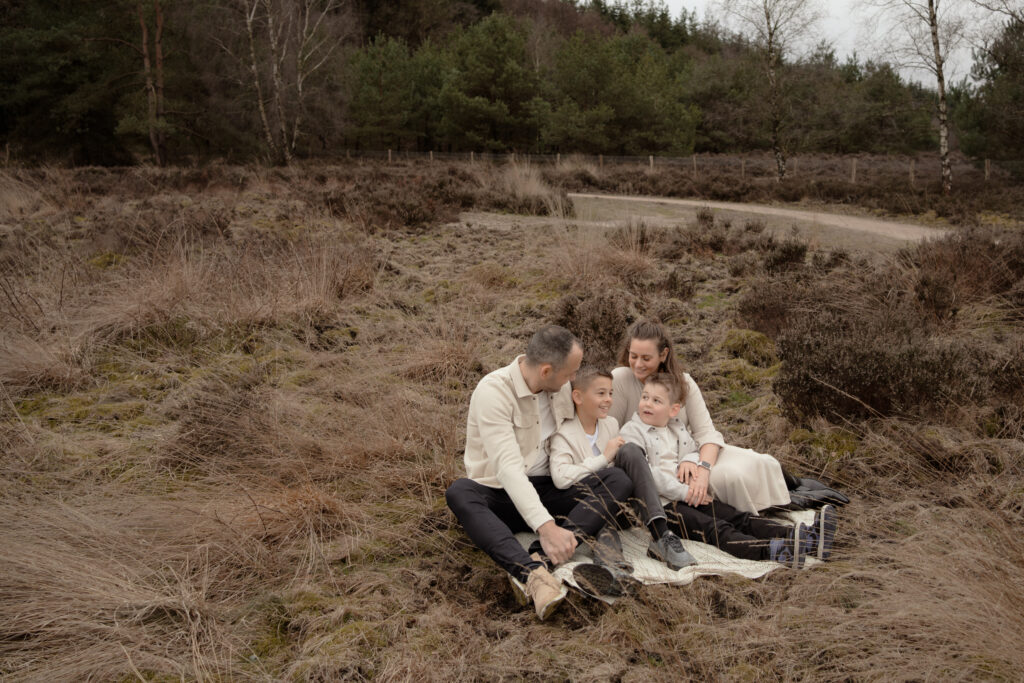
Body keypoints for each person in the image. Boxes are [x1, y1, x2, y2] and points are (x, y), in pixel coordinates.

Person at [445, 325, 633, 620]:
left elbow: (596, 406)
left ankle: (545, 554)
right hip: (500, 493)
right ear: (546, 371)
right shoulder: (494, 392)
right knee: (460, 492)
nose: (574, 380)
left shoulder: (559, 390)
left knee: (617, 480)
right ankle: (533, 575)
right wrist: (546, 527)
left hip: (549, 489)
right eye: (571, 373)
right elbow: (507, 470)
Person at [619, 373, 837, 567]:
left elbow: (694, 449)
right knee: (716, 529)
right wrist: (684, 493)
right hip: (665, 506)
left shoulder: (676, 427)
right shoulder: (633, 431)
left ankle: (803, 538)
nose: (647, 404)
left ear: (673, 409)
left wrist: (690, 461)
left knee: (737, 517)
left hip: (691, 495)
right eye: (645, 397)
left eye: (656, 400)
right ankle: (770, 550)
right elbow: (646, 476)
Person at [609, 319, 790, 514]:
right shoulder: (620, 379)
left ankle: (800, 493)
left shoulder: (684, 382)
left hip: (692, 455)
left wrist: (702, 468)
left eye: (646, 358)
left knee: (758, 461)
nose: (637, 364)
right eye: (633, 356)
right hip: (660, 468)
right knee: (731, 477)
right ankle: (762, 513)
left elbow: (706, 434)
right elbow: (610, 433)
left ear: (663, 355)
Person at [548, 366, 695, 572]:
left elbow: (624, 466)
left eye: (610, 393)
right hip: (583, 504)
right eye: (601, 393)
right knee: (606, 501)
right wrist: (604, 458)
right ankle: (612, 564)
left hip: (619, 503)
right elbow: (561, 479)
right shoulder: (563, 432)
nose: (608, 399)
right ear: (578, 397)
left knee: (630, 451)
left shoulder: (611, 424)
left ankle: (661, 534)